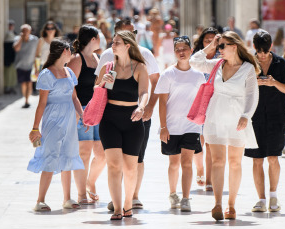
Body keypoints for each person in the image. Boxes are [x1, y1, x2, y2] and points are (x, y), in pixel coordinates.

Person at [190, 31, 260, 220]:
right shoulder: (217, 64)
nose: (219, 49)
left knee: (235, 163)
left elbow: (252, 95)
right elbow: (194, 61)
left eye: (222, 46)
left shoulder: (247, 69)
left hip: (237, 118)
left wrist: (246, 115)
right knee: (218, 161)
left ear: (234, 46)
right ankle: (218, 204)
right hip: (216, 116)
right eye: (218, 46)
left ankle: (231, 205)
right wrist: (211, 45)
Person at [96, 21, 160, 210]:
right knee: (114, 165)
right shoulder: (108, 66)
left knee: (131, 167)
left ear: (127, 46)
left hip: (133, 118)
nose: (112, 45)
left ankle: (128, 203)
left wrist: (143, 107)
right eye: (112, 41)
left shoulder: (140, 66)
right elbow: (96, 90)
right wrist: (102, 83)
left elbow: (144, 91)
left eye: (116, 42)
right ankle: (117, 207)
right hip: (110, 118)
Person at [28, 39, 86, 211]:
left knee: (68, 155)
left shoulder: (69, 72)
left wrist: (83, 117)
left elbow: (74, 97)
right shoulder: (46, 74)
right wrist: (35, 128)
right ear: (64, 52)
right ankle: (40, 200)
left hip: (69, 119)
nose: (72, 54)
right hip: (52, 120)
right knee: (51, 156)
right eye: (70, 51)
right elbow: (41, 104)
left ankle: (67, 198)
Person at [244, 30, 285, 214]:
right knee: (257, 159)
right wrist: (254, 83)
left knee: (273, 157)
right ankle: (261, 199)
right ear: (254, 48)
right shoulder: (249, 64)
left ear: (271, 47)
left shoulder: (281, 63)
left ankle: (273, 196)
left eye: (265, 51)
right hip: (254, 116)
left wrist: (273, 83)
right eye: (259, 51)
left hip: (277, 116)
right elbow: (242, 89)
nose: (262, 55)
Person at [155, 36, 205, 212]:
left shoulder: (199, 76)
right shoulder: (167, 74)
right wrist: (163, 127)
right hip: (171, 126)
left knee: (186, 162)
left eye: (185, 48)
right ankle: (172, 193)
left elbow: (202, 101)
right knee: (174, 163)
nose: (181, 52)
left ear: (191, 51)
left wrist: (201, 126)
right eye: (178, 49)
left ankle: (185, 198)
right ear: (174, 52)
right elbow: (162, 102)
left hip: (191, 126)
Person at [67, 25, 104, 204]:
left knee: (102, 153)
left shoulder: (97, 57)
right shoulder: (76, 59)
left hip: (97, 109)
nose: (101, 40)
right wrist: (78, 112)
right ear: (93, 39)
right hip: (81, 109)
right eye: (99, 37)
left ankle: (90, 183)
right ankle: (81, 194)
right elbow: (70, 87)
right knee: (84, 152)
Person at [192, 27, 220, 191]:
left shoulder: (222, 58)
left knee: (210, 143)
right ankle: (200, 168)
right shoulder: (197, 58)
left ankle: (209, 179)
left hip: (216, 104)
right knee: (198, 141)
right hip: (198, 103)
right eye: (207, 40)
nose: (210, 43)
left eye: (213, 40)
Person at [13, 24, 38, 108]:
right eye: (23, 31)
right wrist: (21, 38)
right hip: (20, 65)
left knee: (29, 83)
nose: (25, 32)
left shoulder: (35, 40)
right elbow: (16, 48)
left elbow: (38, 52)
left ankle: (27, 100)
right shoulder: (17, 39)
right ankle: (25, 98)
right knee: (23, 83)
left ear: (30, 31)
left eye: (26, 31)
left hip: (31, 65)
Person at [4, 20, 17, 95]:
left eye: (12, 25)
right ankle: (7, 87)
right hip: (7, 56)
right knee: (7, 72)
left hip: (13, 56)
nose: (10, 26)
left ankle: (11, 86)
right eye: (9, 25)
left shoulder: (14, 34)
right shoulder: (6, 33)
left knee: (12, 72)